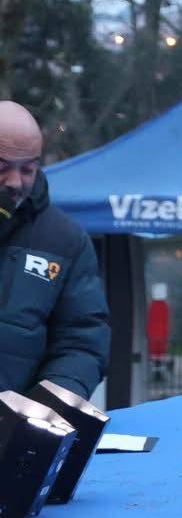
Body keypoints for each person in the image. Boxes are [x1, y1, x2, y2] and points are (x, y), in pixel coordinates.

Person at [0, 101, 109, 400]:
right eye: (2, 167)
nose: (15, 182)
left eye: (28, 169)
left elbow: (82, 342)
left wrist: (50, 407)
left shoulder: (65, 241)